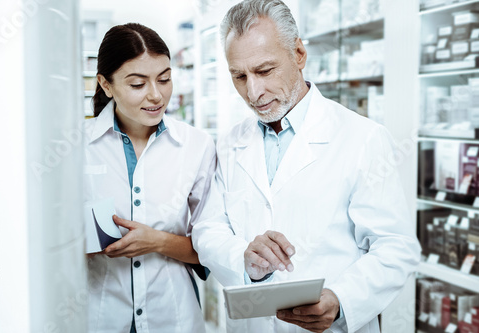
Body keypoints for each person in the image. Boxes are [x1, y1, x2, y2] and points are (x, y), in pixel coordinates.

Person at [191, 1, 421, 332]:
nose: (253, 92)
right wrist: (244, 257)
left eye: (264, 71)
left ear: (298, 54)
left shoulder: (362, 138)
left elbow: (396, 247)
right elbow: (208, 229)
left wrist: (341, 299)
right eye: (239, 76)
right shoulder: (230, 143)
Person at [84, 23, 215, 333]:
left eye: (164, 79)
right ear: (106, 84)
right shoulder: (76, 145)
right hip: (99, 318)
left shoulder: (196, 145)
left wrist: (157, 241)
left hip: (173, 318)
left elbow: (213, 246)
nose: (156, 95)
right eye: (138, 84)